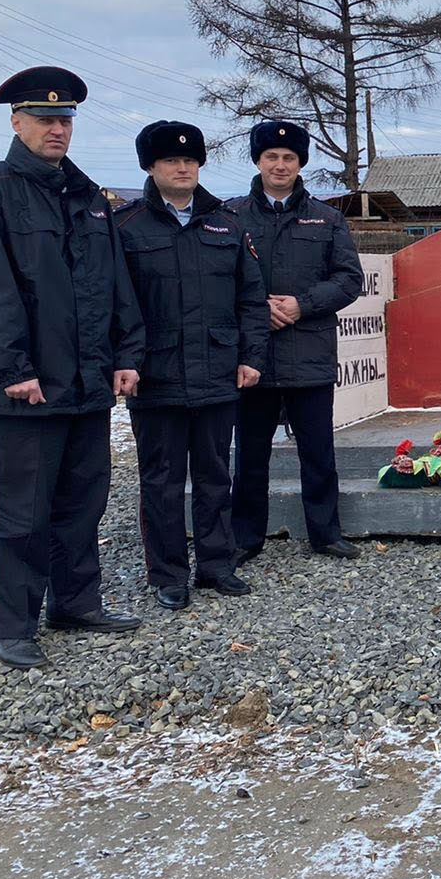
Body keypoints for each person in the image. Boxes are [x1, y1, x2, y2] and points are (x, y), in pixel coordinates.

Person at [0, 66, 144, 669]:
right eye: (44, 119)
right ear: (16, 122)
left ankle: (76, 602)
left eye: (65, 120)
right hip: (23, 389)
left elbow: (114, 285)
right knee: (20, 511)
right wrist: (13, 368)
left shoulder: (87, 196)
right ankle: (11, 624)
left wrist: (126, 354)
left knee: (84, 500)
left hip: (85, 380)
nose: (57, 129)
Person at [116, 121, 269, 609]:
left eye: (190, 160)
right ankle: (167, 574)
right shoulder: (124, 226)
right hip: (155, 375)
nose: (182, 167)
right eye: (169, 161)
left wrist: (251, 357)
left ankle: (216, 565)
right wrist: (124, 362)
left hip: (218, 372)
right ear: (151, 167)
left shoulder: (227, 224)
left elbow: (251, 298)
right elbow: (113, 304)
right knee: (160, 481)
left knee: (212, 474)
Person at [225, 120, 364, 563]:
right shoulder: (230, 217)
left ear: (300, 163)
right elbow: (216, 280)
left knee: (318, 452)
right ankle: (245, 537)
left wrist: (302, 304)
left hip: (309, 353)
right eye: (271, 157)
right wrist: (255, 308)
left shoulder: (328, 218)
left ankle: (325, 533)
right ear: (258, 161)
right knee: (249, 455)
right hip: (253, 357)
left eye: (289, 158)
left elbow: (348, 280)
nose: (280, 165)